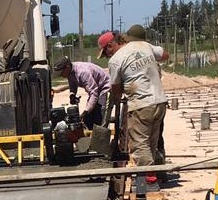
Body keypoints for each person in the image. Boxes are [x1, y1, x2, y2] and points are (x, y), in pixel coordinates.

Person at [98, 30, 168, 189]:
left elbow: (115, 89)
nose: (107, 57)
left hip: (141, 104)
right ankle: (153, 175)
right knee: (151, 141)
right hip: (160, 101)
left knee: (139, 145)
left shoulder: (116, 60)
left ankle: (149, 183)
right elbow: (165, 55)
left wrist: (117, 100)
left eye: (105, 53)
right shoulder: (143, 45)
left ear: (110, 46)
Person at [124, 24, 171, 167]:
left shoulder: (130, 51)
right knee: (155, 138)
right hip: (159, 100)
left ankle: (149, 178)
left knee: (141, 141)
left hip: (144, 103)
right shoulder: (149, 48)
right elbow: (165, 55)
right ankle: (158, 166)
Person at [51, 56, 110, 127]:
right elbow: (72, 84)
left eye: (62, 72)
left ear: (67, 67)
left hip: (104, 87)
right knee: (89, 117)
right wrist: (72, 95)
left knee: (99, 112)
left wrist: (86, 111)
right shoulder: (70, 72)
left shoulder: (83, 73)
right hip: (96, 88)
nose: (61, 75)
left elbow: (94, 93)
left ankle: (101, 131)